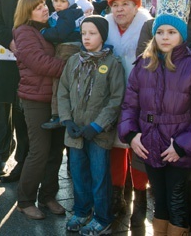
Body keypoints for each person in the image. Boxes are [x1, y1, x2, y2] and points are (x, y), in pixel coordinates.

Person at [120, 0, 191, 235]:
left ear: (181, 35)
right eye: (161, 32)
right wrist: (131, 134)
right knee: (159, 201)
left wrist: (183, 146)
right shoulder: (144, 64)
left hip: (177, 147)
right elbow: (129, 105)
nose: (165, 37)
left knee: (177, 201)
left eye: (172, 32)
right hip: (149, 143)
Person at [0, 0, 62, 182]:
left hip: (41, 60)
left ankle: (43, 169)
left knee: (41, 114)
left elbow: (61, 18)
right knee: (19, 113)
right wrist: (10, 41)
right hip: (12, 58)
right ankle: (22, 163)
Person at [58, 15, 125, 235]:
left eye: (92, 33)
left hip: (98, 133)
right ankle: (81, 210)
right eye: (84, 33)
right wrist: (67, 119)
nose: (87, 38)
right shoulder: (73, 61)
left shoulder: (112, 64)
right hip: (75, 131)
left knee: (99, 175)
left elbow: (116, 99)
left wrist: (97, 125)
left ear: (102, 36)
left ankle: (102, 216)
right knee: (78, 173)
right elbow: (63, 92)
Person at [12, 0, 65, 220]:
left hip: (55, 99)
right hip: (35, 100)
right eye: (38, 6)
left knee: (55, 152)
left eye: (44, 4)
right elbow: (39, 63)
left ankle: (48, 196)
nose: (45, 8)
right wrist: (72, 67)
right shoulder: (24, 32)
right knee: (39, 151)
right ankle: (24, 200)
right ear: (27, 12)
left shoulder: (46, 30)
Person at [104, 0, 152, 224]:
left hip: (141, 98)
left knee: (138, 148)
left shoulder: (148, 27)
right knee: (115, 148)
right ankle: (117, 197)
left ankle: (140, 201)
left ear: (136, 6)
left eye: (125, 4)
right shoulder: (106, 27)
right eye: (115, 5)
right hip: (112, 97)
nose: (120, 9)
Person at [39, 0, 83, 129]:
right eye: (55, 0)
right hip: (69, 46)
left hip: (68, 47)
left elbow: (59, 33)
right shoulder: (68, 13)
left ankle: (57, 114)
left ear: (70, 2)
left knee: (59, 81)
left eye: (62, 1)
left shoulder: (68, 15)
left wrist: (44, 32)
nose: (58, 4)